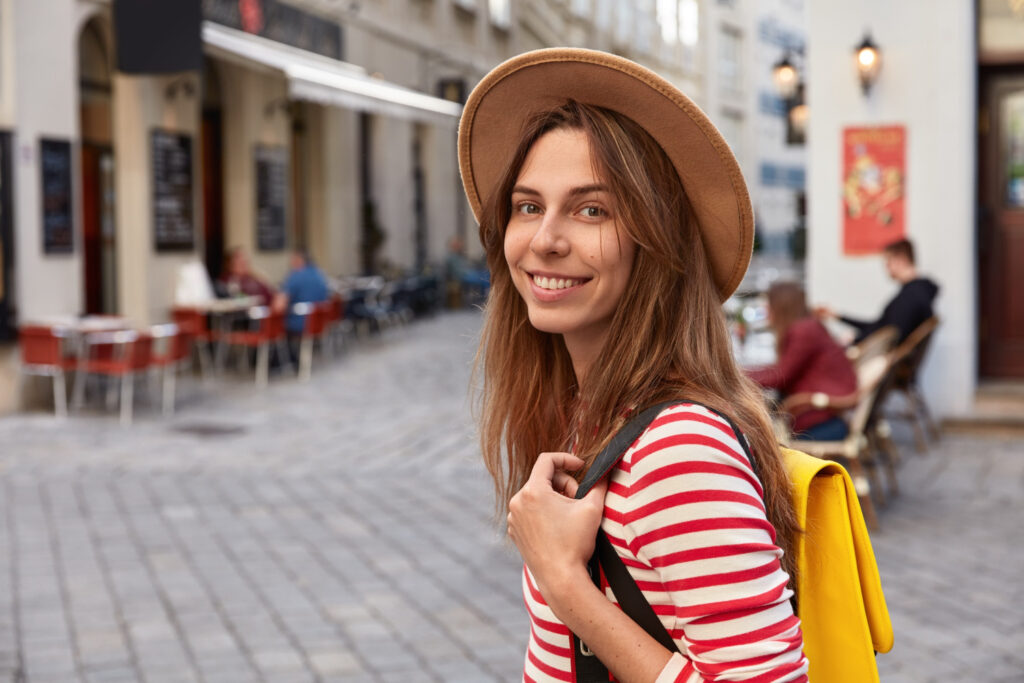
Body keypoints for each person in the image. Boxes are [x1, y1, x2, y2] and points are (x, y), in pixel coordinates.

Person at [461, 49, 807, 682]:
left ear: (659, 241)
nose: (545, 240)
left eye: (592, 209)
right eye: (528, 206)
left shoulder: (679, 447)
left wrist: (568, 586)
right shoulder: (593, 415)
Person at [748, 282, 858, 441]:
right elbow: (782, 369)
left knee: (755, 436)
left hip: (820, 421)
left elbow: (781, 376)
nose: (766, 310)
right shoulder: (808, 325)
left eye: (769, 305)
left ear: (781, 306)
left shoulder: (803, 331)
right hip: (828, 414)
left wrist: (736, 376)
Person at [816, 238, 938, 345]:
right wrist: (838, 317)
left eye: (888, 263)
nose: (886, 268)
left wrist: (855, 339)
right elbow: (880, 326)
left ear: (901, 260)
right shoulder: (917, 292)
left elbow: (889, 336)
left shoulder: (910, 297)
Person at [274, 249, 330, 336]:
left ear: (298, 260)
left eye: (292, 260)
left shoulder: (295, 276)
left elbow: (278, 306)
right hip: (320, 323)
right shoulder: (320, 274)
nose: (291, 264)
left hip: (300, 324)